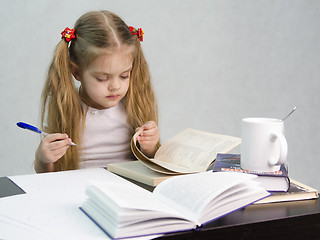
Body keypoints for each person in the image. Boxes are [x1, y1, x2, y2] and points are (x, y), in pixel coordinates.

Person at [34, 10, 160, 173]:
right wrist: (43, 159)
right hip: (80, 190)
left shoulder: (133, 106)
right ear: (77, 72)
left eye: (124, 76)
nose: (115, 86)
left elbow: (150, 165)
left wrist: (149, 147)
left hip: (127, 190)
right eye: (102, 78)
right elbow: (47, 176)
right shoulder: (67, 110)